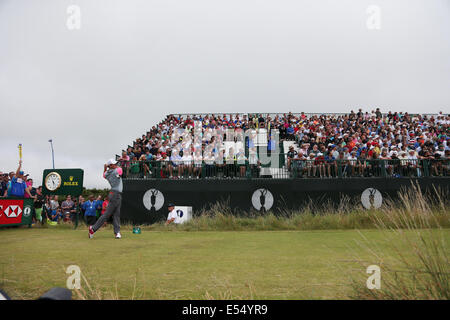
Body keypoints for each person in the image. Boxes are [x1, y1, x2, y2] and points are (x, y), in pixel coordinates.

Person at [89, 159, 123, 239]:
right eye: (113, 164)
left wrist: (105, 168)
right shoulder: (116, 171)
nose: (115, 165)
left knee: (116, 214)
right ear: (110, 166)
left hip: (115, 194)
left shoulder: (107, 173)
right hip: (115, 194)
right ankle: (93, 229)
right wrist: (111, 165)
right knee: (107, 214)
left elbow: (104, 175)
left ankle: (117, 232)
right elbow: (120, 169)